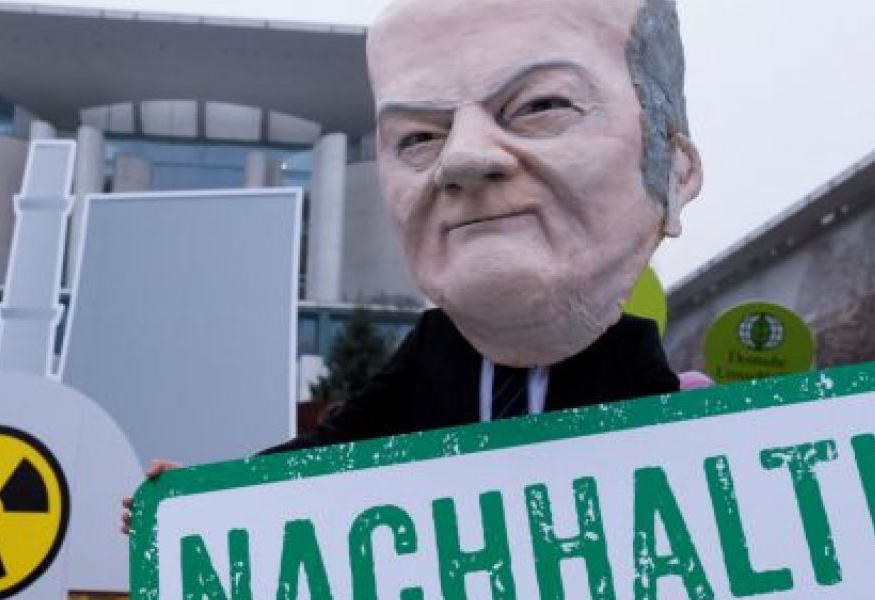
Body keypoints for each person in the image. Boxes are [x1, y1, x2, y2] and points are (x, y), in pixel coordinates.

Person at [123, 0, 703, 531]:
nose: (463, 158)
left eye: (540, 106)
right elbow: (335, 446)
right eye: (419, 137)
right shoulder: (435, 348)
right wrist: (205, 496)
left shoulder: (626, 350)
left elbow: (685, 471)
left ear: (675, 172)